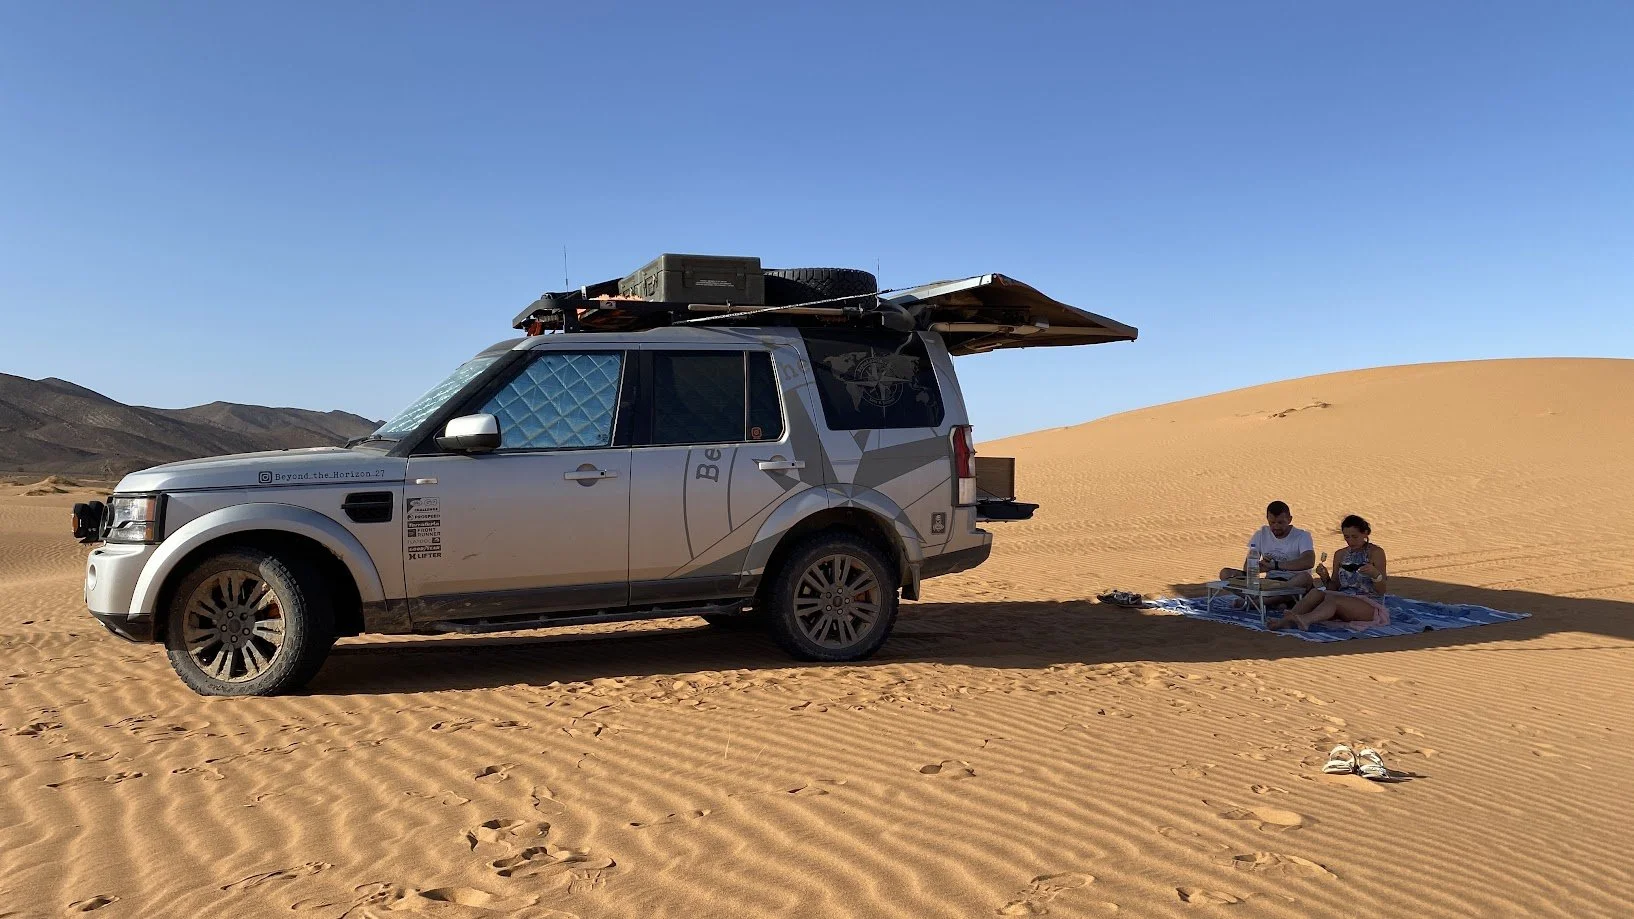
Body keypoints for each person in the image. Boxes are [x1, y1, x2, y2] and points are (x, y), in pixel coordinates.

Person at [1269, 514, 1390, 631]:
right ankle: (1285, 621)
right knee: (1315, 593)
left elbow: (1381, 590)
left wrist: (1375, 574)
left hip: (1369, 603)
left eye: (1355, 537)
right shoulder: (1340, 554)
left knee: (1333, 600)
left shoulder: (1376, 553)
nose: (1350, 541)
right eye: (1347, 537)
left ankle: (1305, 620)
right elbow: (1334, 587)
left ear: (1365, 533)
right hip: (1344, 597)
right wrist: (1325, 577)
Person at [1220, 500, 1316, 590]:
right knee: (1226, 573)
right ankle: (1270, 597)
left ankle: (1267, 597)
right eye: (1272, 523)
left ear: (1289, 519)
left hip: (1292, 580)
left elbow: (1309, 561)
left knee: (1305, 578)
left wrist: (1276, 565)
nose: (1276, 526)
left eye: (1280, 523)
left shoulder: (1302, 536)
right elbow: (1248, 567)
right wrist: (1263, 566)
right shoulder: (1261, 534)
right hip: (1270, 581)